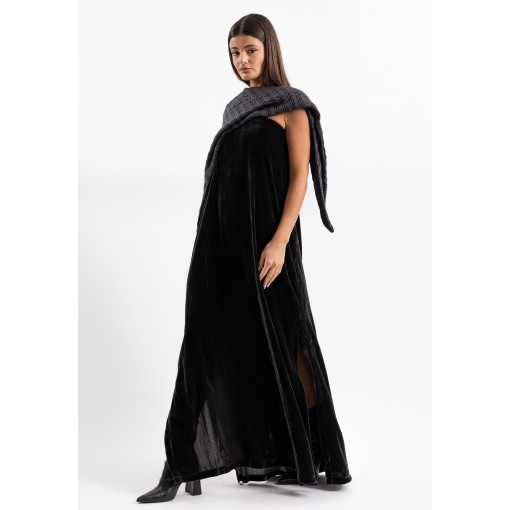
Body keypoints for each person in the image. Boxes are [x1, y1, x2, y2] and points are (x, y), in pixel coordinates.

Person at [136, 13, 352, 504]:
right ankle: (179, 464)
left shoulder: (293, 107)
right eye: (235, 52)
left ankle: (310, 454)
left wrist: (278, 241)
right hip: (220, 241)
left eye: (250, 50)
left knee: (290, 341)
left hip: (270, 245)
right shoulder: (235, 110)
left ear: (269, 49)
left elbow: (298, 177)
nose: (242, 60)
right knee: (201, 342)